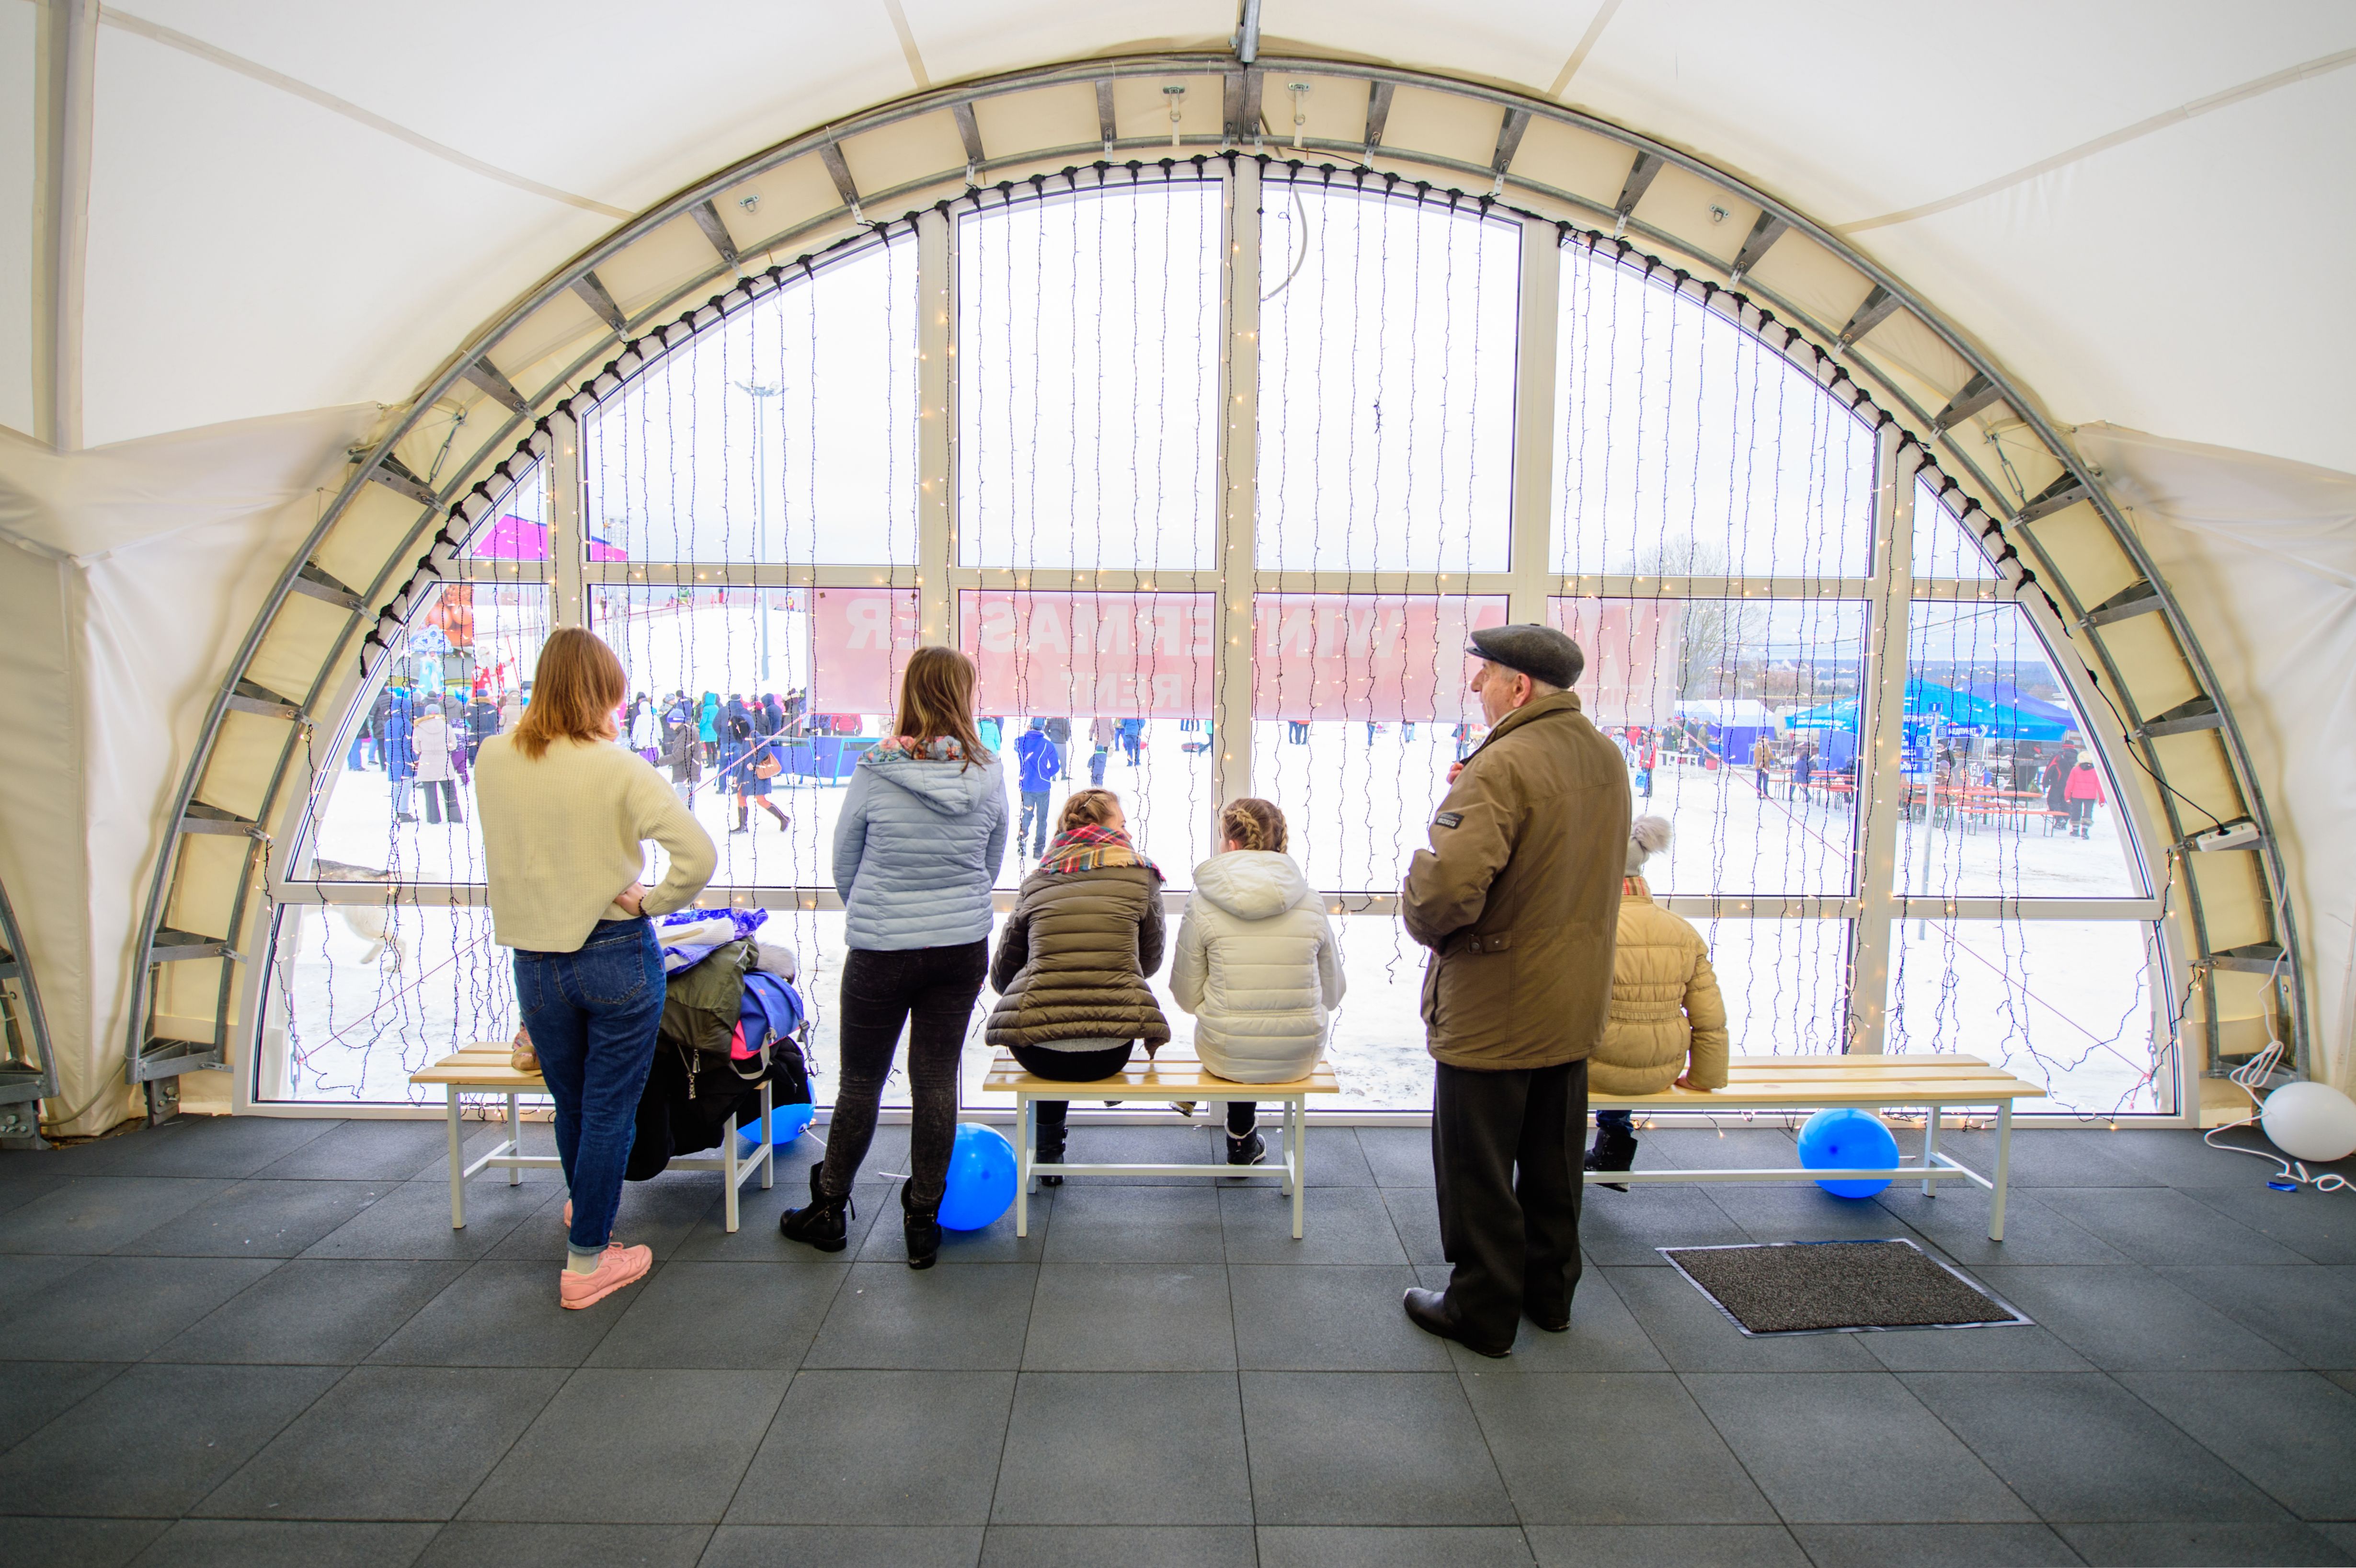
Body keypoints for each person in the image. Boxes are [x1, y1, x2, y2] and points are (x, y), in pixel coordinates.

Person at [1400, 622, 1630, 1358]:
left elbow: (1444, 896)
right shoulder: (1604, 756)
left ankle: (1480, 1310)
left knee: (1477, 1167)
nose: (1477, 686)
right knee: (1555, 1162)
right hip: (1571, 1000)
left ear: (1519, 686)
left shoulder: (1501, 764)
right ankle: (1549, 1295)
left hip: (1496, 1004)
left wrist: (1419, 878)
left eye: (1486, 674)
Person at [475, 627, 717, 1308]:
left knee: (574, 1103)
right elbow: (697, 857)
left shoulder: (493, 757)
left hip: (534, 961)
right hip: (615, 953)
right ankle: (587, 1262)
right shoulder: (618, 767)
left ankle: (589, 1211)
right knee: (611, 1110)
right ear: (605, 690)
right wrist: (654, 901)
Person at [780, 647, 1007, 1269]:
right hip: (959, 947)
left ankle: (829, 1208)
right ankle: (923, 1219)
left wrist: (878, 911)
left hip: (881, 950)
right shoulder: (988, 770)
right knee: (936, 1079)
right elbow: (991, 862)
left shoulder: (876, 767)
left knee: (861, 1081)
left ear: (910, 693)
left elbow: (845, 861)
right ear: (963, 694)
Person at [985, 788, 1171, 1181]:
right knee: (1067, 1020)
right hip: (1110, 1050)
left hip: (1038, 1054)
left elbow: (1002, 977)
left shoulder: (1038, 881)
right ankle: (1055, 1142)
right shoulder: (1141, 877)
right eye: (1122, 824)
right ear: (1104, 829)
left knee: (1047, 1022)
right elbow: (1150, 963)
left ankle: (1048, 1151)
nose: (1129, 833)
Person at [1171, 797, 1345, 1167]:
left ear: (1233, 844)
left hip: (1225, 1049)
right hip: (1300, 1053)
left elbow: (1186, 998)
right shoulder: (1312, 903)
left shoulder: (1201, 904)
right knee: (1246, 1032)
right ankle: (1242, 1141)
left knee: (1235, 1032)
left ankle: (1242, 1138)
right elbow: (1333, 994)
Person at [1584, 816, 1727, 1188]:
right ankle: (1614, 1154)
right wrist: (1704, 1078)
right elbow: (1709, 1016)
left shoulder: (1587, 929)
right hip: (1662, 1065)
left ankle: (1556, 1158)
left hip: (1591, 1066)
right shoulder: (1682, 931)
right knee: (1631, 1041)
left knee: (1597, 1042)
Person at [1014, 717, 1061, 860]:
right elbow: (1056, 766)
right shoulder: (1048, 745)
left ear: (1030, 726)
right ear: (1043, 728)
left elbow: (1016, 745)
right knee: (1042, 819)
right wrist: (1046, 775)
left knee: (1026, 815)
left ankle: (1022, 843)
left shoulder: (1020, 742)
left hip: (1026, 786)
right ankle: (1038, 850)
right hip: (1043, 788)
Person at [412, 698, 465, 825]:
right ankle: (455, 817)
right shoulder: (447, 727)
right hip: (444, 762)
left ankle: (434, 818)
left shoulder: (419, 728)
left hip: (427, 763)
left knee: (430, 794)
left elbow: (416, 747)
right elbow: (453, 745)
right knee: (450, 793)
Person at [2041, 733, 2080, 834]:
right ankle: (2063, 823)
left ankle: (2059, 819)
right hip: (2073, 786)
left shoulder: (2058, 756)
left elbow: (2050, 769)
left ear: (2064, 747)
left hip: (2058, 784)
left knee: (2052, 801)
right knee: (2067, 804)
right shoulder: (2079, 758)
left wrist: (2045, 782)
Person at [2064, 757, 2104, 836]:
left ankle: (2075, 831)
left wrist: (2067, 796)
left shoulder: (2075, 770)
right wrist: (2102, 799)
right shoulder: (2096, 771)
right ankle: (2085, 832)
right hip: (2091, 796)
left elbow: (2070, 784)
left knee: (2076, 811)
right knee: (2088, 812)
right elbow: (2100, 786)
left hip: (2077, 795)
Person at [1044, 714, 1073, 789]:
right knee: (1063, 759)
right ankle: (1063, 775)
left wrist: (1051, 736)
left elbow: (1046, 730)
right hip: (1062, 742)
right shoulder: (1065, 721)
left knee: (1053, 759)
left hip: (1053, 741)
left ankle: (1054, 776)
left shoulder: (1051, 720)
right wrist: (1066, 739)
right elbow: (1068, 732)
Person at [1088, 715, 1115, 786]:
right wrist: (1113, 737)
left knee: (1097, 752)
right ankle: (1103, 765)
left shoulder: (1096, 717)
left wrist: (1090, 736)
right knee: (1104, 753)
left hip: (1098, 738)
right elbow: (1112, 729)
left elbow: (1092, 727)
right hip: (1106, 738)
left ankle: (1096, 764)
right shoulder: (1108, 717)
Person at [1750, 733, 1773, 799]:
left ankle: (1766, 794)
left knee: (1766, 781)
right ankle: (1759, 794)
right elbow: (1757, 757)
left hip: (1766, 767)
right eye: (1766, 740)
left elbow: (1771, 755)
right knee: (1759, 781)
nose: (1768, 742)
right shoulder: (1758, 747)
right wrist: (1767, 759)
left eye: (1768, 740)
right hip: (1760, 767)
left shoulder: (1768, 747)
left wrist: (1776, 759)